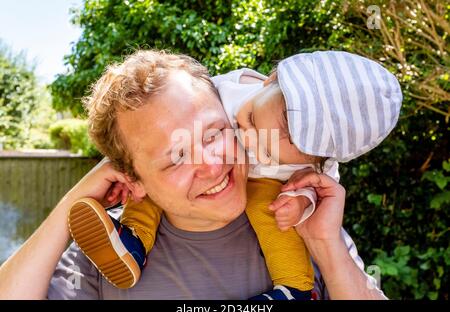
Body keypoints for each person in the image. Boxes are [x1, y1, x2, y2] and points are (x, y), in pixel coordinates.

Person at [0, 50, 387, 299]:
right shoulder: (100, 253)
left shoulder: (304, 223)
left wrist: (328, 248)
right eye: (177, 157)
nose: (213, 164)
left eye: (216, 133)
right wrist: (73, 201)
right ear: (131, 179)